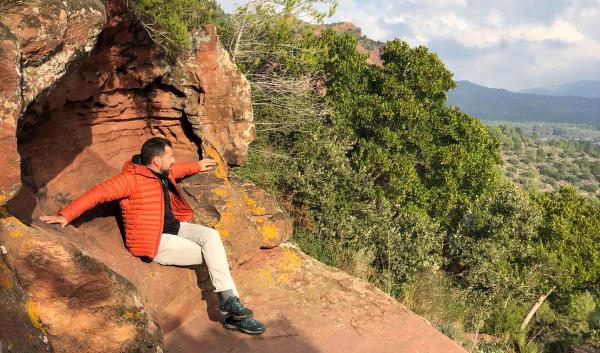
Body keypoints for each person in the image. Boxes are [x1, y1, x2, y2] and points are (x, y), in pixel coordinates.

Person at [39, 137, 267, 335]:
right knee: (211, 254)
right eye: (170, 155)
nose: (173, 159)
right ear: (157, 160)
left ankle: (229, 303)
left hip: (175, 228)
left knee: (211, 237)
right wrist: (65, 215)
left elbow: (177, 170)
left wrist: (197, 165)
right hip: (155, 241)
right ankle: (232, 316)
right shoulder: (130, 179)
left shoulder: (160, 172)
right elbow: (97, 194)